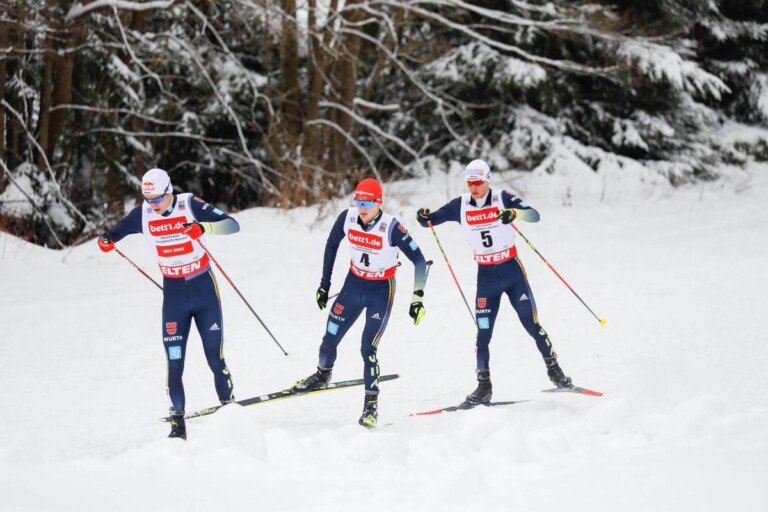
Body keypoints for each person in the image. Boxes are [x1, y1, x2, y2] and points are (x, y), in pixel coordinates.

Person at [416, 159, 573, 405]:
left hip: (512, 272)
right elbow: (431, 220)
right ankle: (483, 387)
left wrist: (515, 213)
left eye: (478, 182)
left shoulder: (503, 198)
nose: (474, 187)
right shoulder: (461, 205)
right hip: (486, 276)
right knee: (483, 334)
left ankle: (556, 372)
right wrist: (423, 216)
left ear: (488, 180)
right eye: (470, 182)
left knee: (531, 324)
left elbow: (534, 215)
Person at [97, 168, 240, 440]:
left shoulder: (189, 204)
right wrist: (106, 240)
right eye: (148, 199)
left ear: (169, 191)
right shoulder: (144, 214)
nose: (153, 205)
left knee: (215, 357)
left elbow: (232, 224)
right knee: (174, 362)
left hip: (203, 287)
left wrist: (203, 227)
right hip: (174, 293)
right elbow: (115, 233)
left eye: (157, 199)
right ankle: (177, 425)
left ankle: (230, 412)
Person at [292, 178, 428, 427]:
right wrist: (325, 284)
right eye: (358, 201)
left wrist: (417, 298)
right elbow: (331, 245)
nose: (362, 207)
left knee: (368, 349)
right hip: (353, 286)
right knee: (329, 337)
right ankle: (323, 375)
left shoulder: (391, 228)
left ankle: (370, 408)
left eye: (367, 202)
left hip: (380, 290)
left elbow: (419, 260)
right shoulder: (347, 218)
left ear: (379, 202)